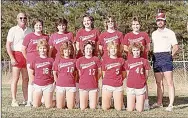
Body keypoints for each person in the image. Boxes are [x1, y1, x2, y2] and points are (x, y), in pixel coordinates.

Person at [151, 12, 179, 111]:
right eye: (158, 20)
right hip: (156, 57)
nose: (160, 22)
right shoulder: (153, 33)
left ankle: (171, 105)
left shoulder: (170, 32)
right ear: (156, 21)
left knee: (169, 82)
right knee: (159, 82)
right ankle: (159, 103)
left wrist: (170, 56)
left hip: (166, 56)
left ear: (164, 21)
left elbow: (175, 46)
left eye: (161, 20)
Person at [122, 16, 151, 110]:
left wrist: (141, 52)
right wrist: (132, 52)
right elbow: (125, 47)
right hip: (131, 60)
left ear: (140, 25)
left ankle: (145, 102)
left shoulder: (144, 34)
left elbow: (148, 47)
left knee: (143, 81)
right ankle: (132, 101)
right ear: (131, 25)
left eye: (137, 24)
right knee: (132, 79)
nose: (135, 26)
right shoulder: (128, 35)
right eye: (134, 24)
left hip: (142, 59)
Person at [6, 12, 33, 107]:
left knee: (26, 79)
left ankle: (26, 100)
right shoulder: (12, 30)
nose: (23, 20)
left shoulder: (30, 30)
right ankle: (14, 100)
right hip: (16, 55)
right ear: (17, 19)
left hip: (26, 55)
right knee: (15, 79)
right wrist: (12, 57)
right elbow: (8, 45)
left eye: (24, 18)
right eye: (20, 18)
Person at [22, 19, 49, 106]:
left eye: (40, 25)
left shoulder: (46, 37)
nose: (38, 27)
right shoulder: (29, 36)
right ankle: (30, 100)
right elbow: (23, 49)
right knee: (32, 80)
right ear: (33, 26)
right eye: (36, 25)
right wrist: (28, 59)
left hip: (43, 61)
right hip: (31, 61)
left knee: (42, 79)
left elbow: (48, 49)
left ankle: (42, 99)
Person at [124, 42, 150, 112]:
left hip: (140, 86)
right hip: (131, 86)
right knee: (130, 109)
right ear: (131, 51)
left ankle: (140, 103)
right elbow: (127, 74)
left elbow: (147, 75)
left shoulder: (145, 61)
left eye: (138, 50)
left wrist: (143, 82)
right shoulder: (128, 61)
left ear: (140, 50)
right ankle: (133, 103)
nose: (136, 52)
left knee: (139, 110)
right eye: (134, 50)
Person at [76, 41, 102, 110]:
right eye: (87, 48)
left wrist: (94, 79)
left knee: (93, 107)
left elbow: (100, 72)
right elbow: (79, 74)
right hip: (83, 86)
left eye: (90, 48)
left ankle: (95, 101)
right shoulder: (79, 60)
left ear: (92, 49)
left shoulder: (96, 59)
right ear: (84, 49)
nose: (89, 50)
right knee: (83, 107)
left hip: (93, 85)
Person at [29, 39, 54, 108]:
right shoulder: (35, 60)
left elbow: (54, 72)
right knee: (35, 105)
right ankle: (39, 100)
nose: (42, 50)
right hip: (38, 84)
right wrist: (33, 82)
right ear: (38, 49)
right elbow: (31, 72)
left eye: (44, 48)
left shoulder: (51, 60)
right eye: (41, 48)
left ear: (47, 49)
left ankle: (53, 101)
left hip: (48, 84)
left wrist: (53, 82)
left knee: (48, 106)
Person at [101, 42, 126, 111]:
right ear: (108, 49)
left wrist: (118, 80)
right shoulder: (104, 60)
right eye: (111, 48)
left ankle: (116, 99)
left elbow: (124, 74)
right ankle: (110, 99)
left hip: (117, 86)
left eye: (115, 48)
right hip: (107, 85)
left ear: (117, 49)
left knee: (118, 108)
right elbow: (104, 74)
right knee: (105, 108)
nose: (113, 50)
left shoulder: (121, 60)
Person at [53, 41, 77, 109]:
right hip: (60, 85)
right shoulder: (58, 60)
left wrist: (73, 81)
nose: (67, 51)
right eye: (65, 49)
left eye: (69, 49)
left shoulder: (74, 61)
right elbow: (54, 73)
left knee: (71, 107)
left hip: (71, 85)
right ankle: (56, 100)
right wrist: (57, 83)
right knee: (60, 107)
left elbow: (77, 73)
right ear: (62, 50)